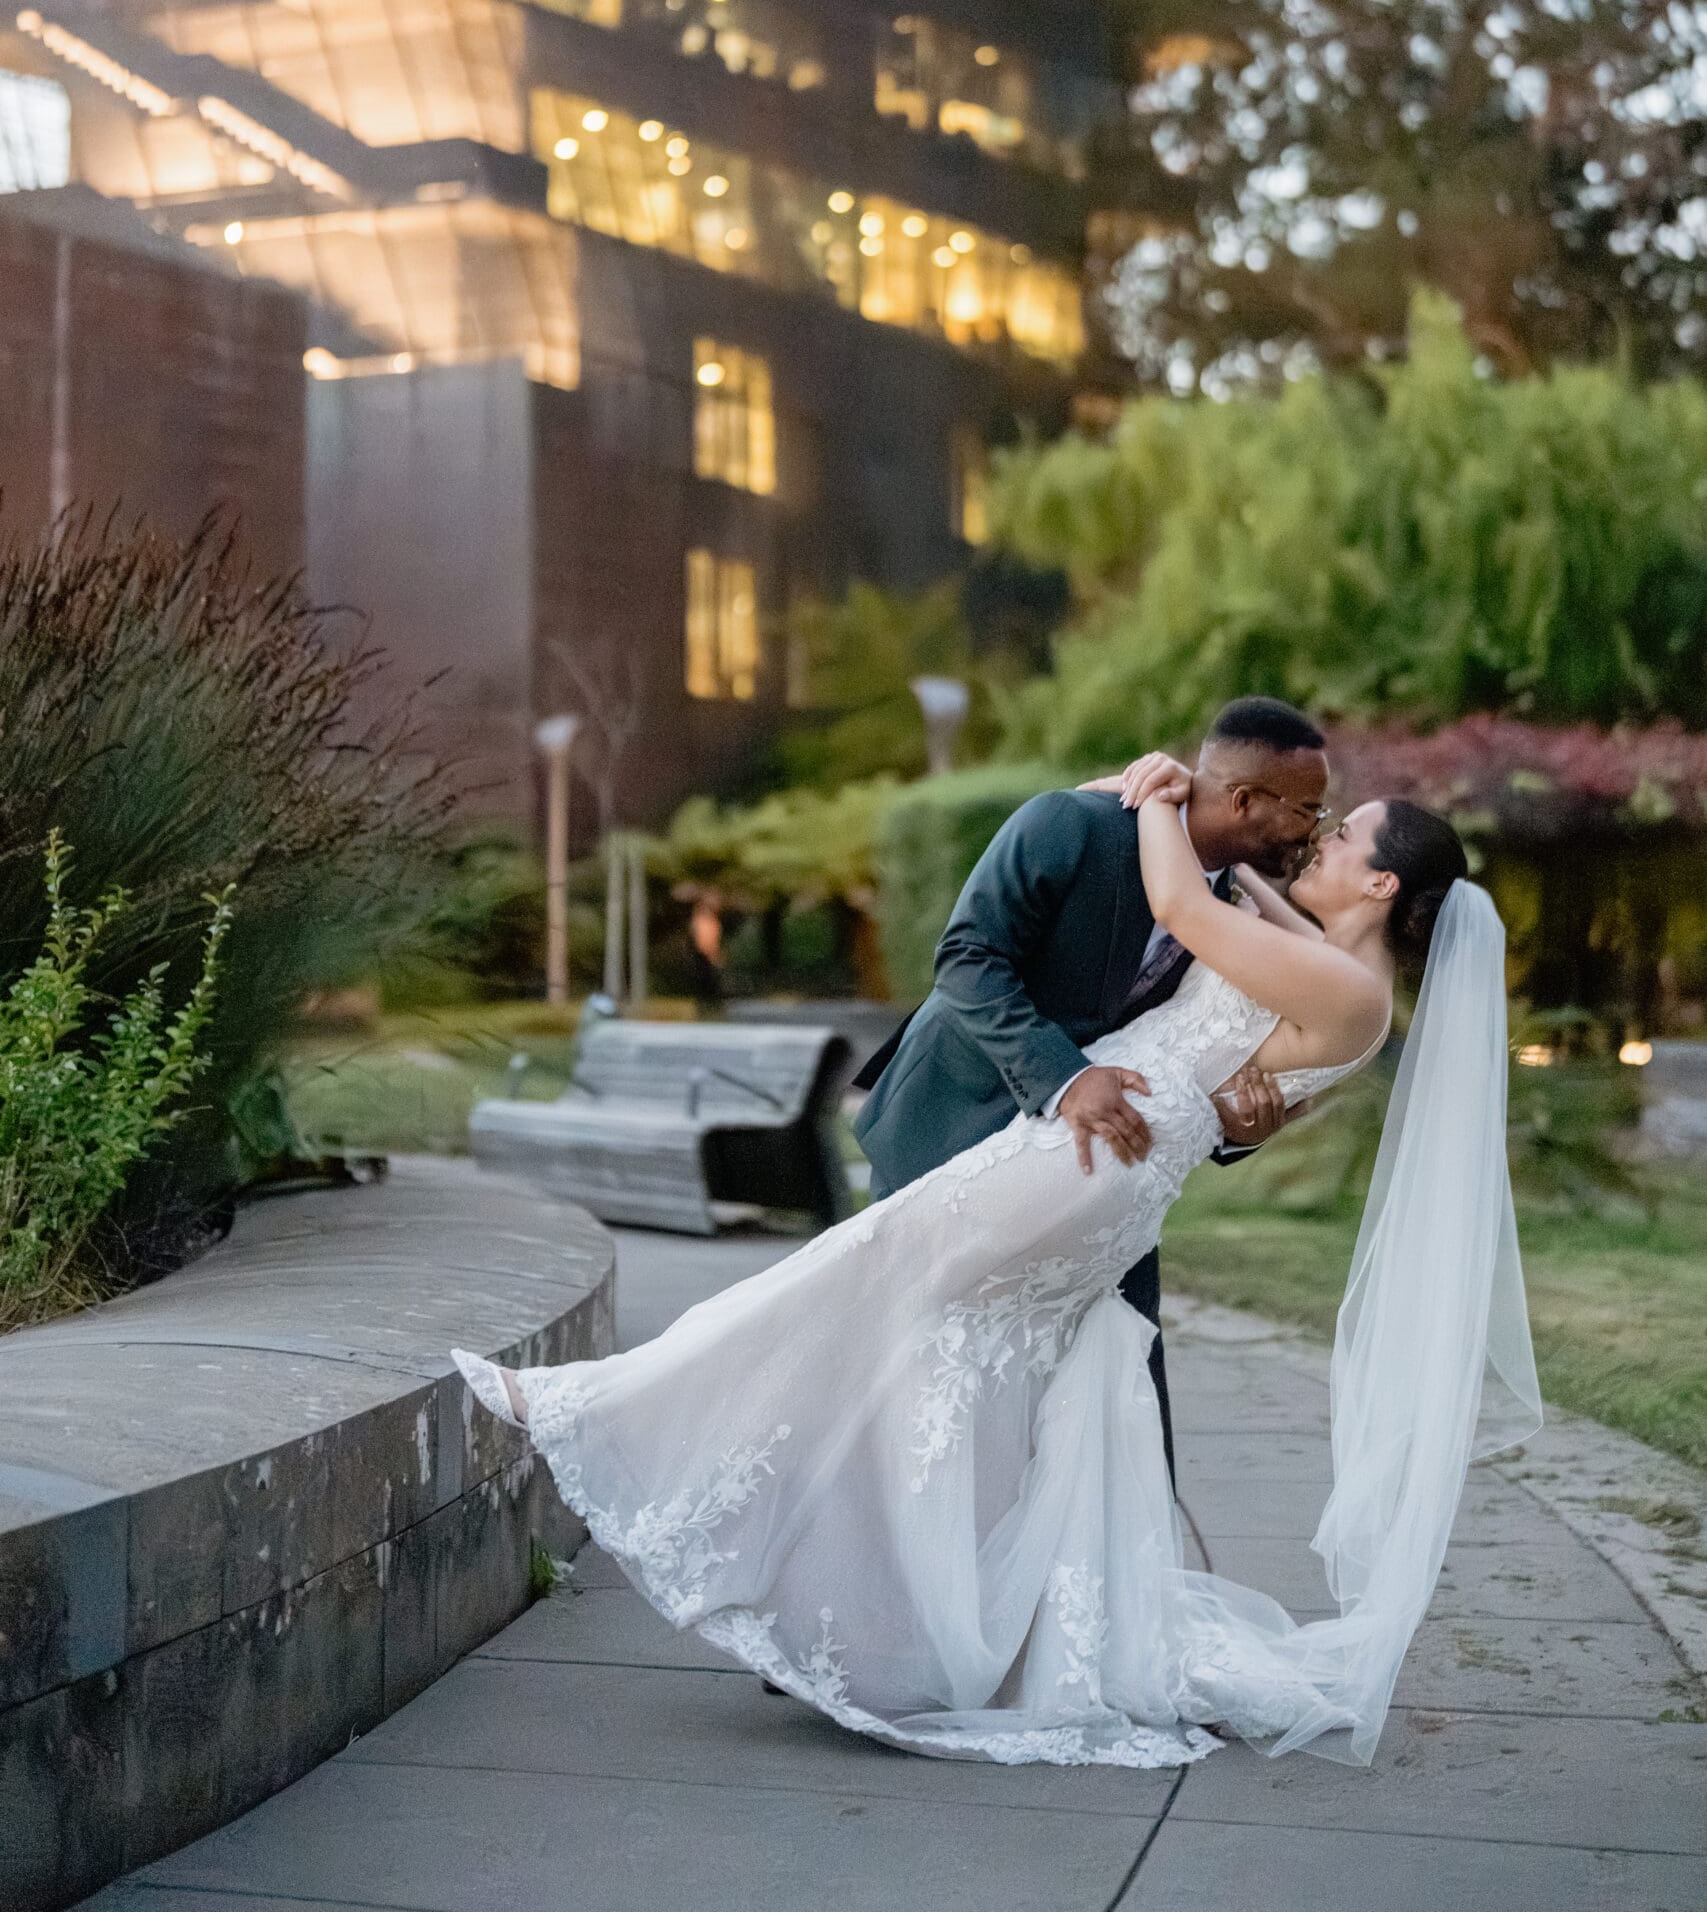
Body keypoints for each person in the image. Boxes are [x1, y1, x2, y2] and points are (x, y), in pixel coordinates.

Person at [455, 753, 1539, 1768]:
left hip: (1092, 1157)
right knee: (968, 1373)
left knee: (859, 1276)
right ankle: (917, 1622)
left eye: (1344, 834)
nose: (1323, 839)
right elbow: (1247, 920)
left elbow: (1180, 908)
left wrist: (1158, 794)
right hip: (1103, 1156)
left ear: (1384, 881)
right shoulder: (1330, 962)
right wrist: (1154, 806)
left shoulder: (1346, 991)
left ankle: (594, 1405)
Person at [854, 696, 1331, 1476]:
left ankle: (1123, 1564)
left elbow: (1190, 1048)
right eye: (1308, 808)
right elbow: (968, 959)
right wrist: (1066, 1078)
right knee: (909, 1366)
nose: (1314, 829)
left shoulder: (1223, 907)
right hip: (952, 1128)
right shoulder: (1071, 824)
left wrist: (1238, 1132)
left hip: (1095, 1172)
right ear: (1245, 800)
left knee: (1126, 1390)